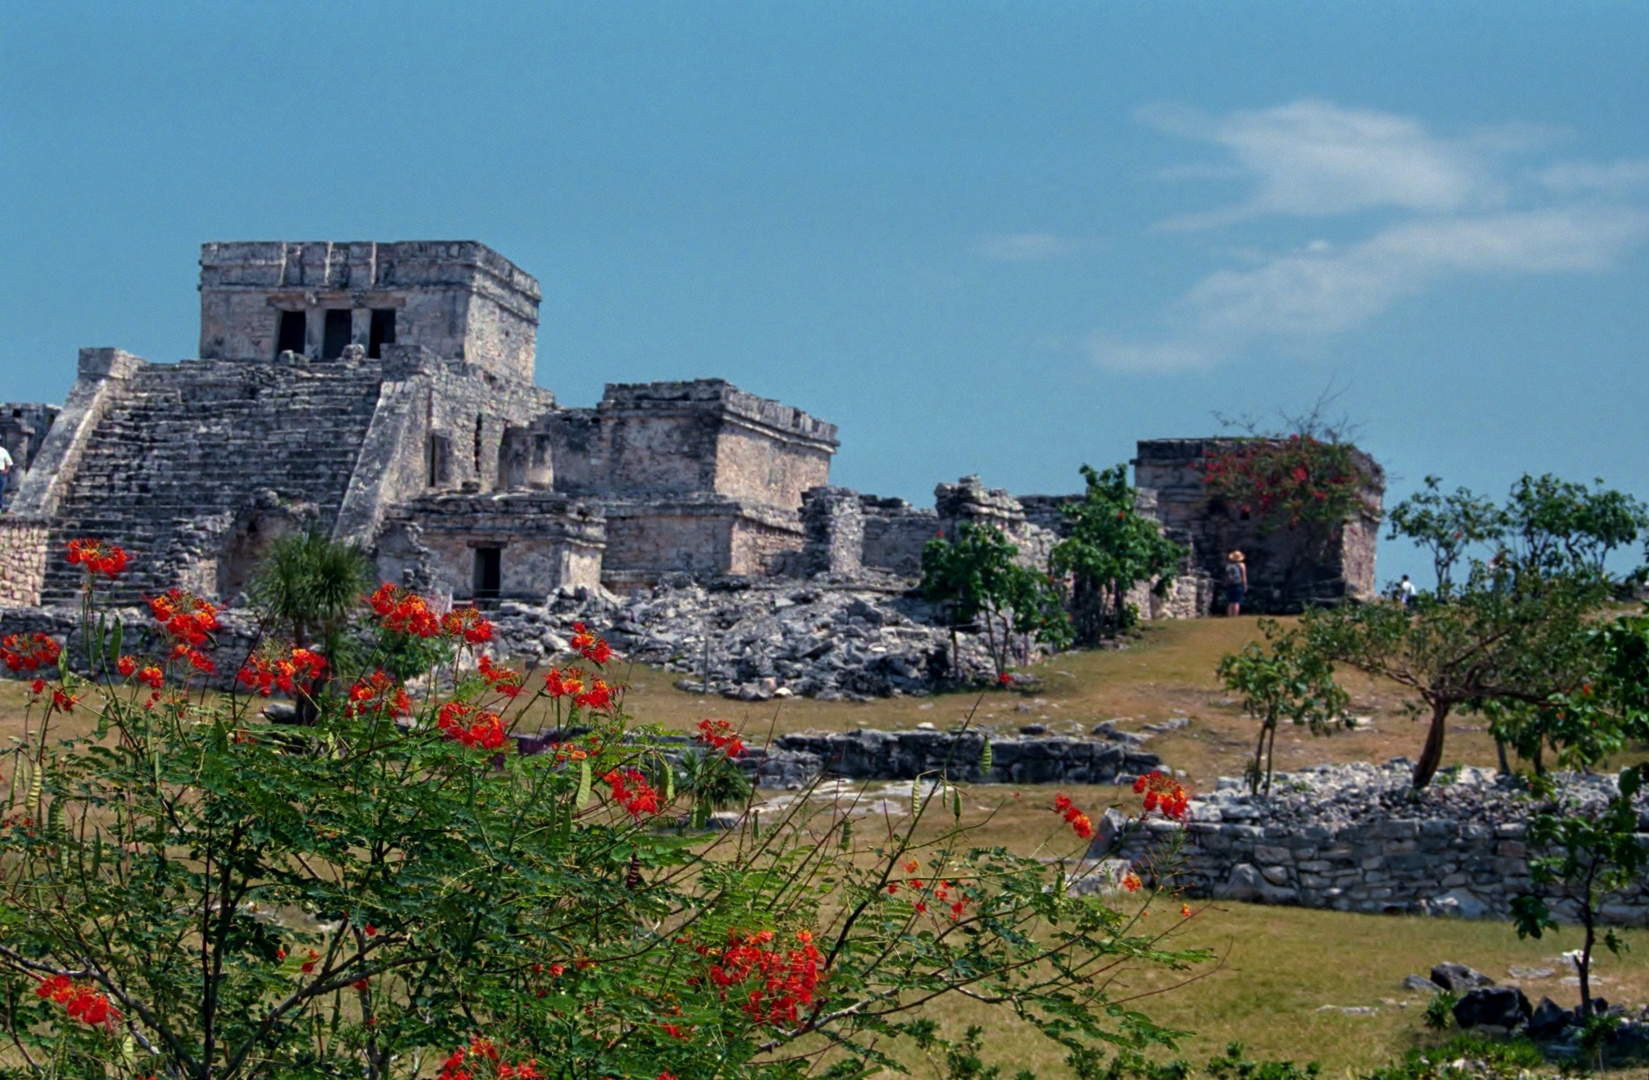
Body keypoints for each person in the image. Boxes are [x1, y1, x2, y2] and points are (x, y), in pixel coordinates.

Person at [1224, 550, 1247, 616]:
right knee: (1236, 602)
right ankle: (1235, 616)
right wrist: (1244, 586)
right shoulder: (1241, 565)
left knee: (1231, 602)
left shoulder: (1229, 565)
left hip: (1230, 585)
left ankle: (1229, 615)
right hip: (1238, 585)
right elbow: (1243, 577)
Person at [0, 442, 13, 513]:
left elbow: (9, 462)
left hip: (0, 472)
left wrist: (6, 470)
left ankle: (0, 508)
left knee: (0, 490)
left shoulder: (3, 451)